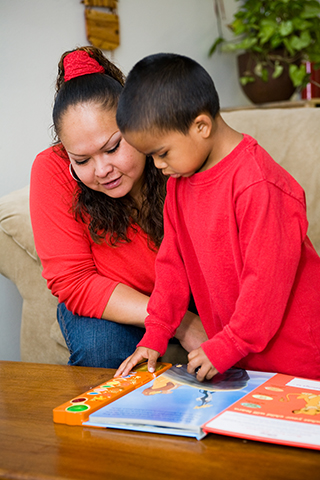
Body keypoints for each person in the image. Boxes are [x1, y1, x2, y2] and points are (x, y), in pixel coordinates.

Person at [115, 53, 320, 381]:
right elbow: (172, 268)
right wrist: (155, 334)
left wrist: (231, 342)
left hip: (298, 358)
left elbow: (265, 281)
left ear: (201, 126)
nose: (156, 166)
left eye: (162, 153)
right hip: (239, 358)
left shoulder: (259, 184)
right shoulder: (179, 186)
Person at [30, 47, 207, 369]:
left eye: (113, 148)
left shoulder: (175, 149)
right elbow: (74, 281)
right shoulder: (51, 169)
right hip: (115, 303)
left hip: (188, 290)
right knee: (101, 347)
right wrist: (179, 322)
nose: (102, 171)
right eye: (81, 160)